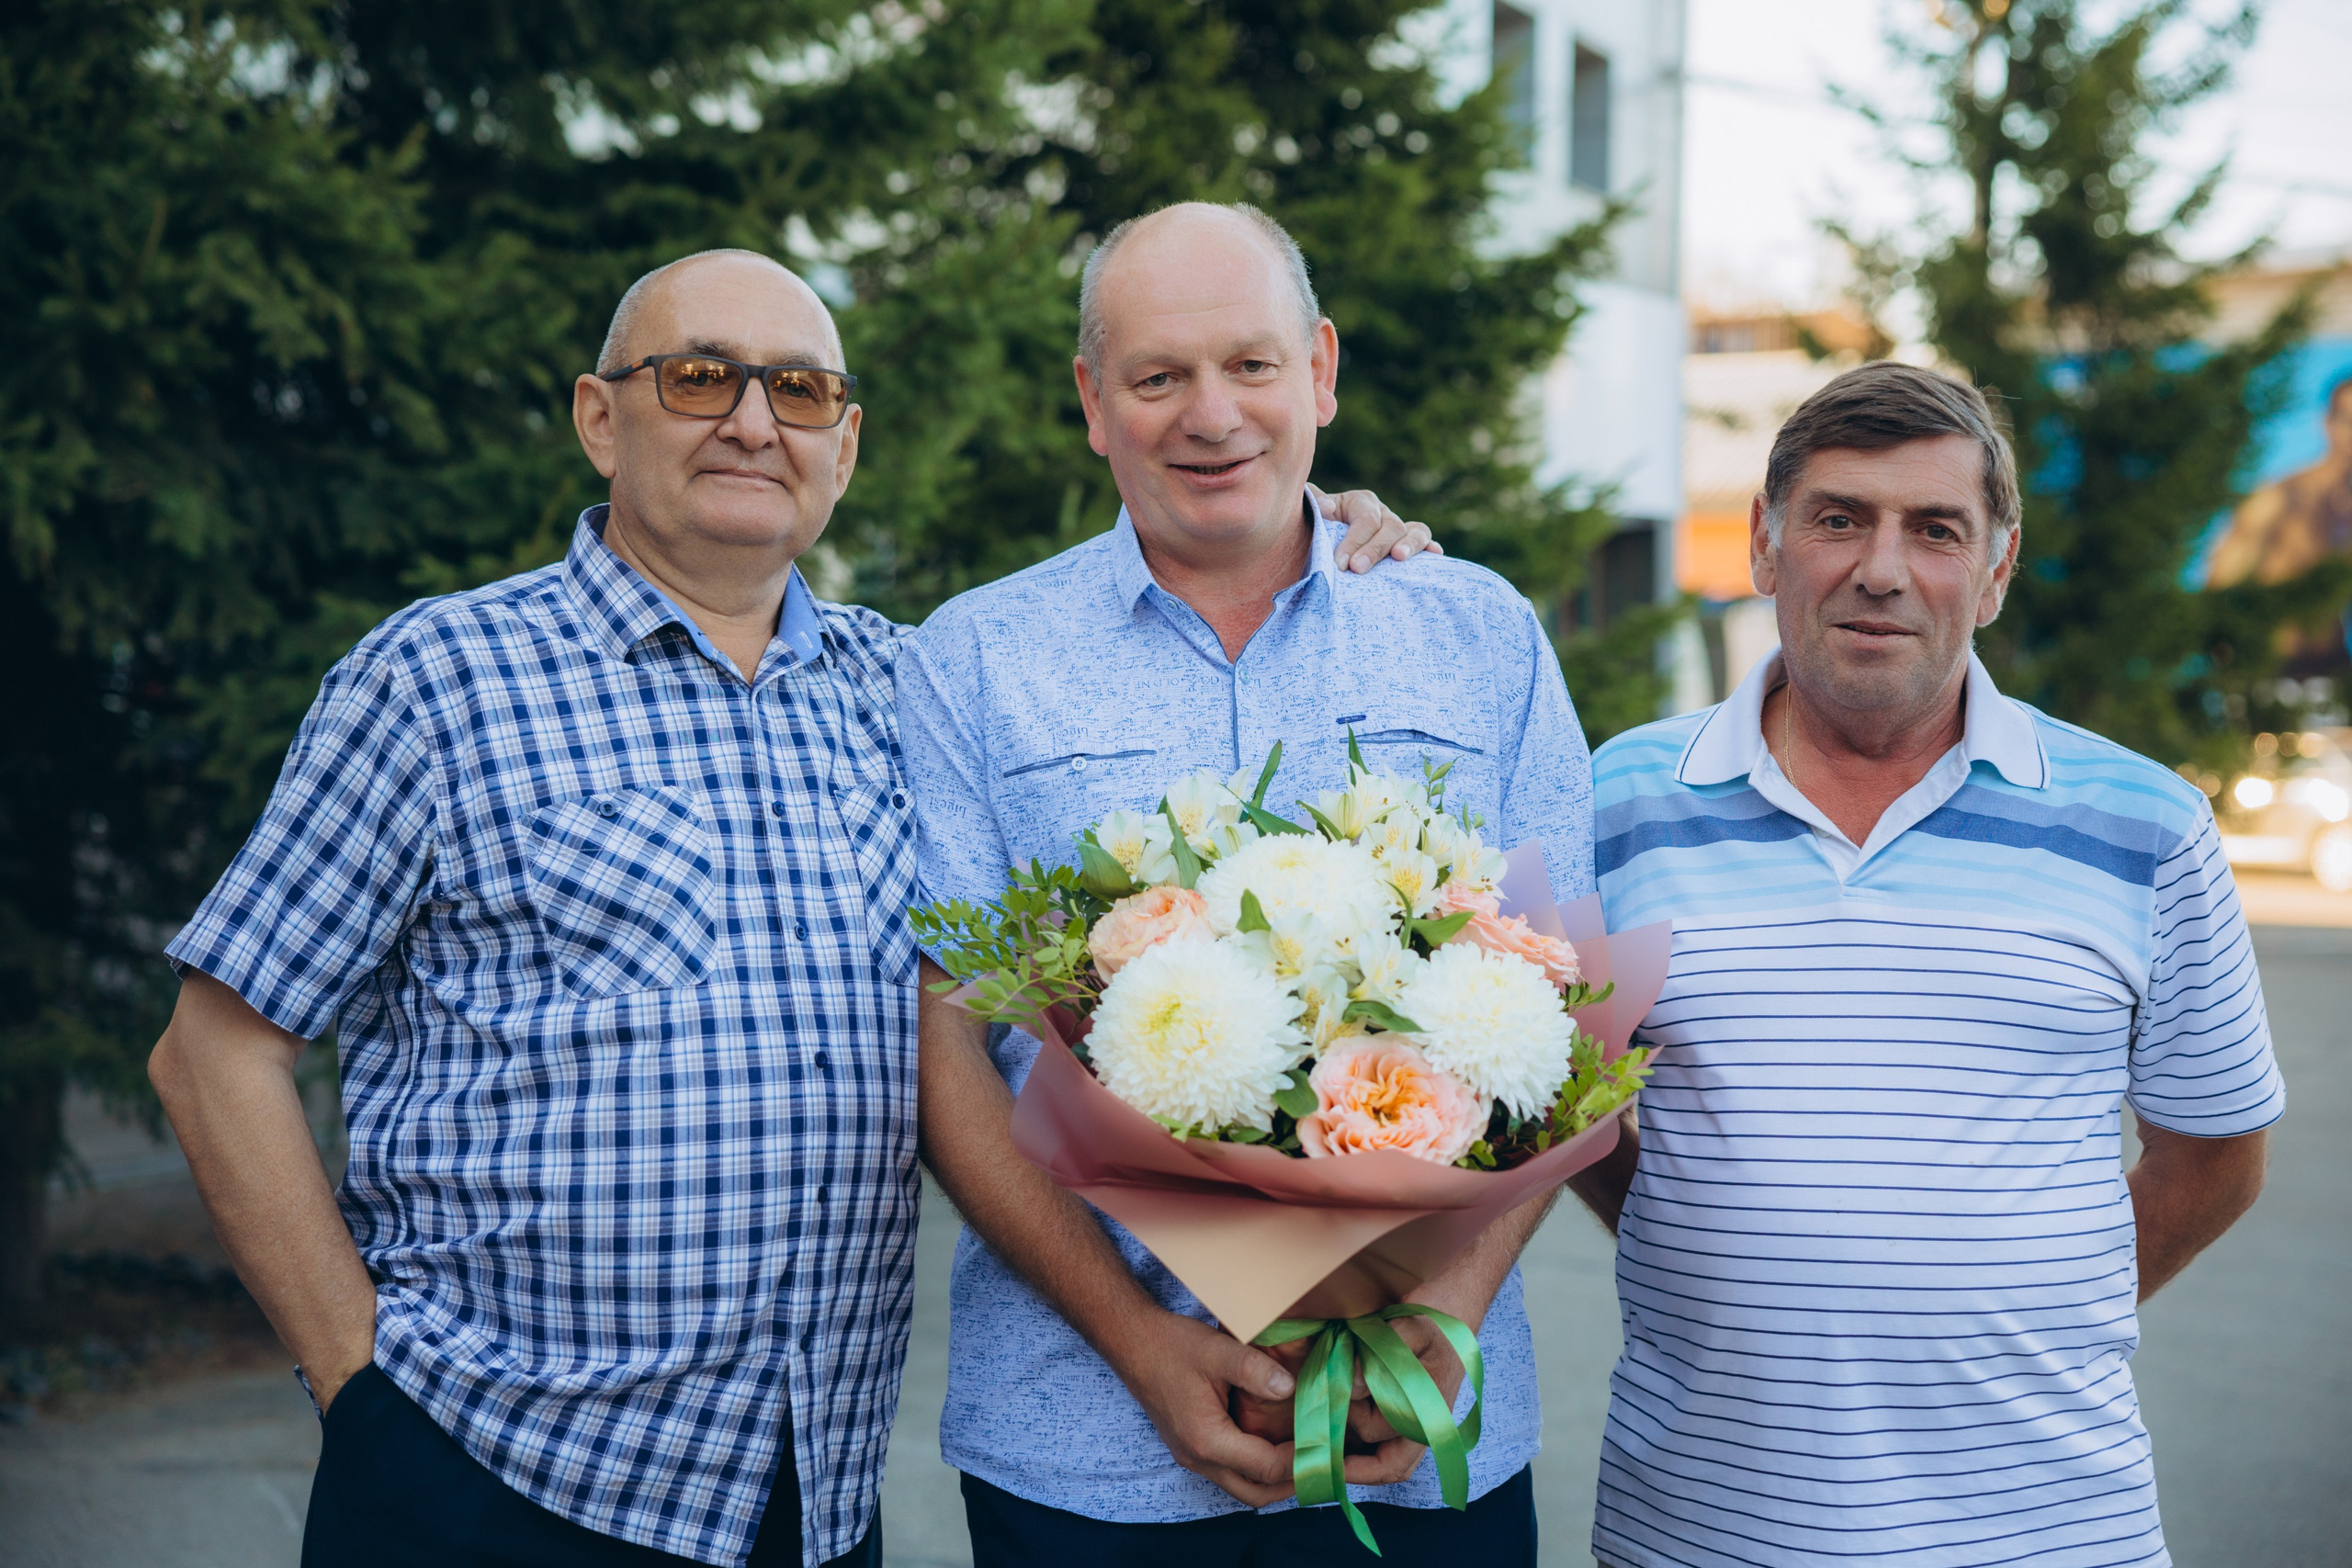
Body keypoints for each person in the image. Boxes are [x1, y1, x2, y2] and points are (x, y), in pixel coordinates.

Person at [144, 246, 1433, 1568]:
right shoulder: (440, 678)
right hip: (490, 1474)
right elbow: (216, 1051)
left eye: (803, 390)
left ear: (847, 444)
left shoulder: (907, 687)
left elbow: (1124, 628)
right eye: (702, 377)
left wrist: (1320, 520)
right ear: (601, 416)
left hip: (806, 1499)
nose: (756, 419)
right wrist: (358, 1386)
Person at [897, 202, 1594, 1565]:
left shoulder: (1475, 631)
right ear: (1095, 403)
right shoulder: (975, 660)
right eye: (1158, 377)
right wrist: (1137, 1338)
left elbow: (1572, 1024)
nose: (1211, 413)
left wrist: (1439, 1319)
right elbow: (949, 1047)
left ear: (1322, 372)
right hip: (1083, 1444)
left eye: (1253, 365)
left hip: (1427, 1441)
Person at [1581, 361, 2282, 1568]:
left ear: (1997, 569)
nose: (1882, 568)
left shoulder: (2149, 824)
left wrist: (2037, 1314)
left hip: (2050, 1530)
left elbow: (2215, 1156)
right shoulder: (1615, 802)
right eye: (1839, 516)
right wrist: (1697, 1234)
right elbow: (1557, 1109)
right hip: (1698, 1527)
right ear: (1764, 542)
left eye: (1936, 529)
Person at [2205, 371, 2352, 588]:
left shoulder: (2344, 505)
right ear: (2327, 423)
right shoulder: (2278, 498)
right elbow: (2219, 588)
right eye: (2348, 421)